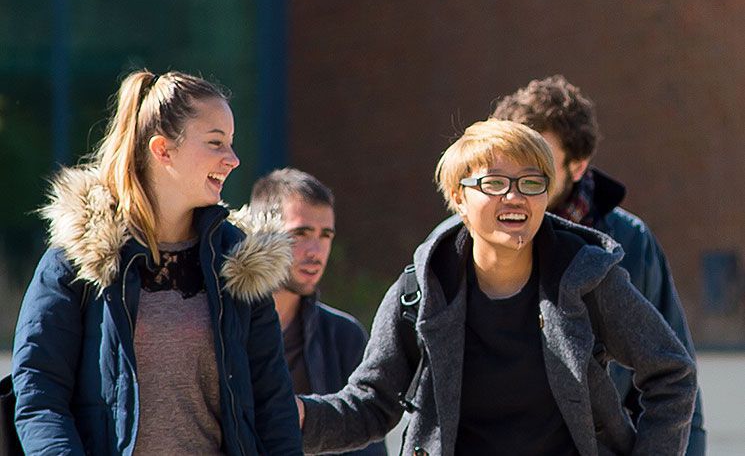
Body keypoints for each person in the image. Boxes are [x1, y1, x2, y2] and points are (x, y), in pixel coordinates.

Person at [297, 119, 696, 455]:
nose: (514, 196)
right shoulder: (420, 288)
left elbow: (672, 372)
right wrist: (294, 415)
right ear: (458, 197)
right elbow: (371, 404)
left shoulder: (588, 275)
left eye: (531, 183)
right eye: (494, 183)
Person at [11, 70, 302, 455]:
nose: (232, 159)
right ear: (163, 150)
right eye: (216, 143)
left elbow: (273, 408)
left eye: (231, 144)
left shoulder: (241, 264)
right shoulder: (77, 259)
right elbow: (39, 394)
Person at [491, 74, 705, 455]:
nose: (521, 179)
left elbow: (674, 376)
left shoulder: (630, 243)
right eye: (515, 156)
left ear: (577, 167)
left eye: (541, 163)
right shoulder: (461, 237)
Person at [248, 168, 388, 456]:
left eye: (325, 235)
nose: (315, 251)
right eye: (300, 233)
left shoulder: (343, 336)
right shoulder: (224, 328)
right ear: (262, 234)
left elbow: (367, 443)